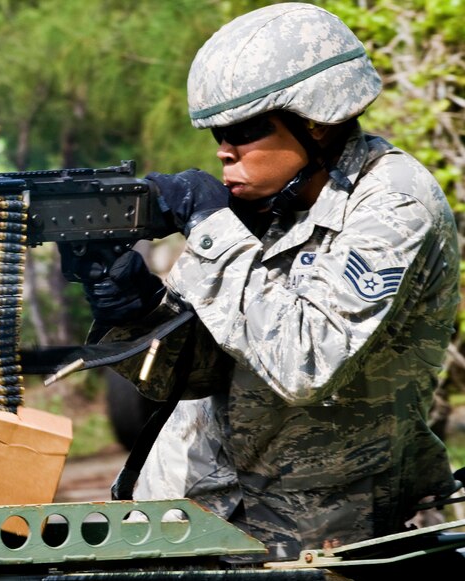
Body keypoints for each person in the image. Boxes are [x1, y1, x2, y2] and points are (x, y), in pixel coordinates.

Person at [64, 2, 462, 561]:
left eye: (245, 131)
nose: (224, 150)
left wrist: (209, 230)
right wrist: (134, 310)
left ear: (316, 121)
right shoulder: (269, 206)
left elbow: (305, 362)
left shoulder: (393, 203)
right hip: (194, 518)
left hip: (315, 538)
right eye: (217, 134)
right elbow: (192, 375)